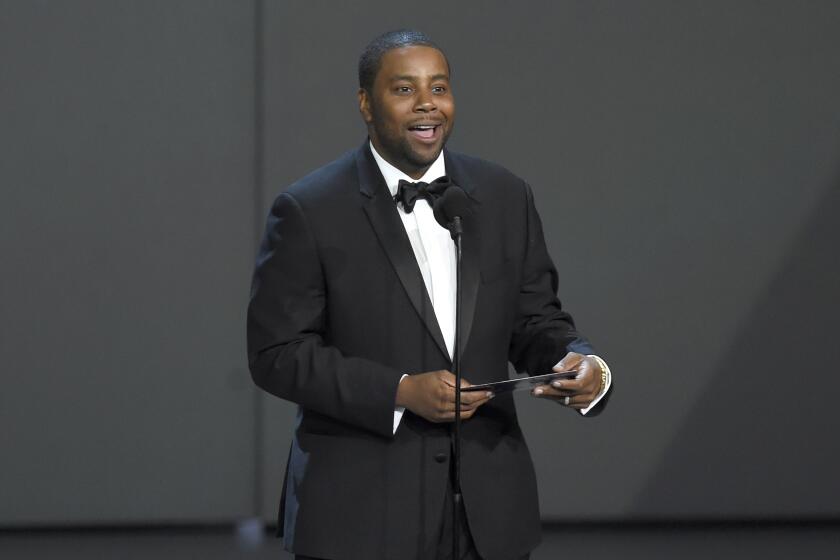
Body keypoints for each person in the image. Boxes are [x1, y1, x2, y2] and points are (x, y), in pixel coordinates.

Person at [247, 29, 612, 560]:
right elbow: (276, 354)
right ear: (366, 104)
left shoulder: (504, 194)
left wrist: (581, 363)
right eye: (404, 89)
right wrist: (399, 390)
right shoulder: (309, 209)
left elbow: (535, 319)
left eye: (439, 88)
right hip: (358, 517)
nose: (427, 104)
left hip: (488, 517)